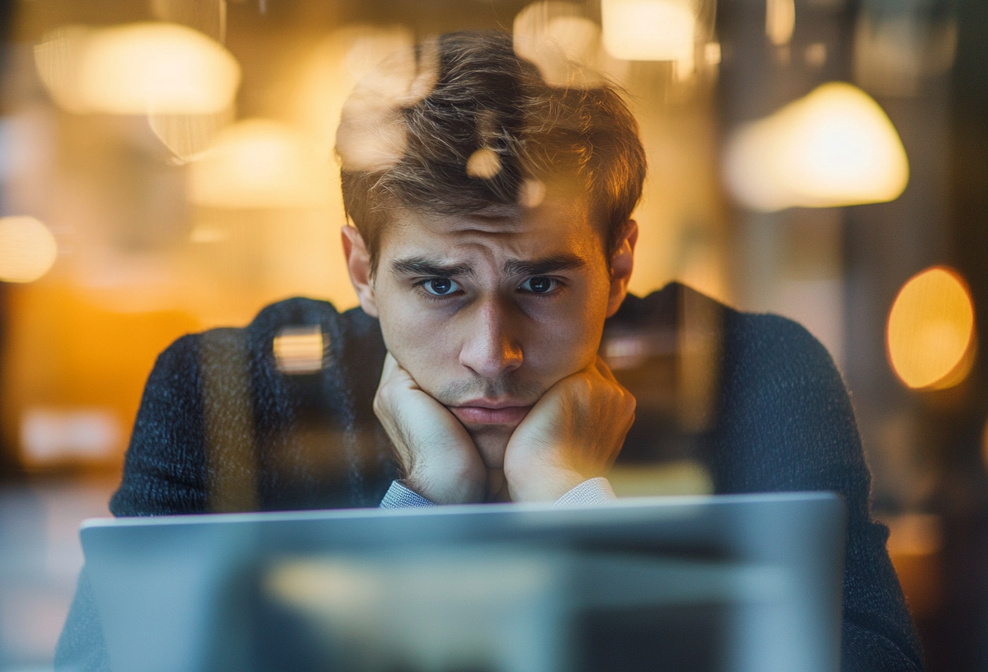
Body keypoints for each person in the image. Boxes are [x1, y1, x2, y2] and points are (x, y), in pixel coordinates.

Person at [57, 30, 923, 671]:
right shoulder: (229, 389)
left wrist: (571, 500)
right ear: (361, 266)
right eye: (440, 286)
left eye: (542, 284)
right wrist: (429, 505)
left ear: (619, 263)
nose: (492, 354)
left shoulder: (754, 376)